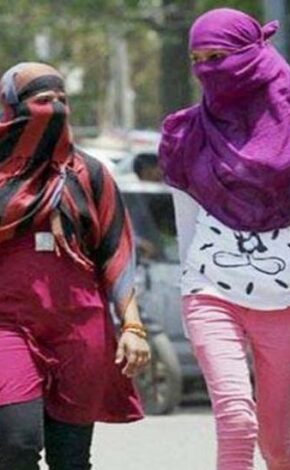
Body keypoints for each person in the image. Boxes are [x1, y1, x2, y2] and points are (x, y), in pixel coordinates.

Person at [158, 8, 290, 470]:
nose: (207, 69)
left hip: (285, 301)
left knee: (279, 444)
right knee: (237, 422)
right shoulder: (186, 133)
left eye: (217, 56)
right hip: (209, 294)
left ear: (251, 56)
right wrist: (189, 286)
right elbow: (187, 224)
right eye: (198, 59)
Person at [0, 62, 149, 469]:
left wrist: (132, 327)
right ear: (11, 107)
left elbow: (116, 251)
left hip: (78, 328)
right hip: (8, 325)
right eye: (41, 100)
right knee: (16, 444)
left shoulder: (89, 173)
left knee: (71, 459)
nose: (54, 109)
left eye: (61, 100)